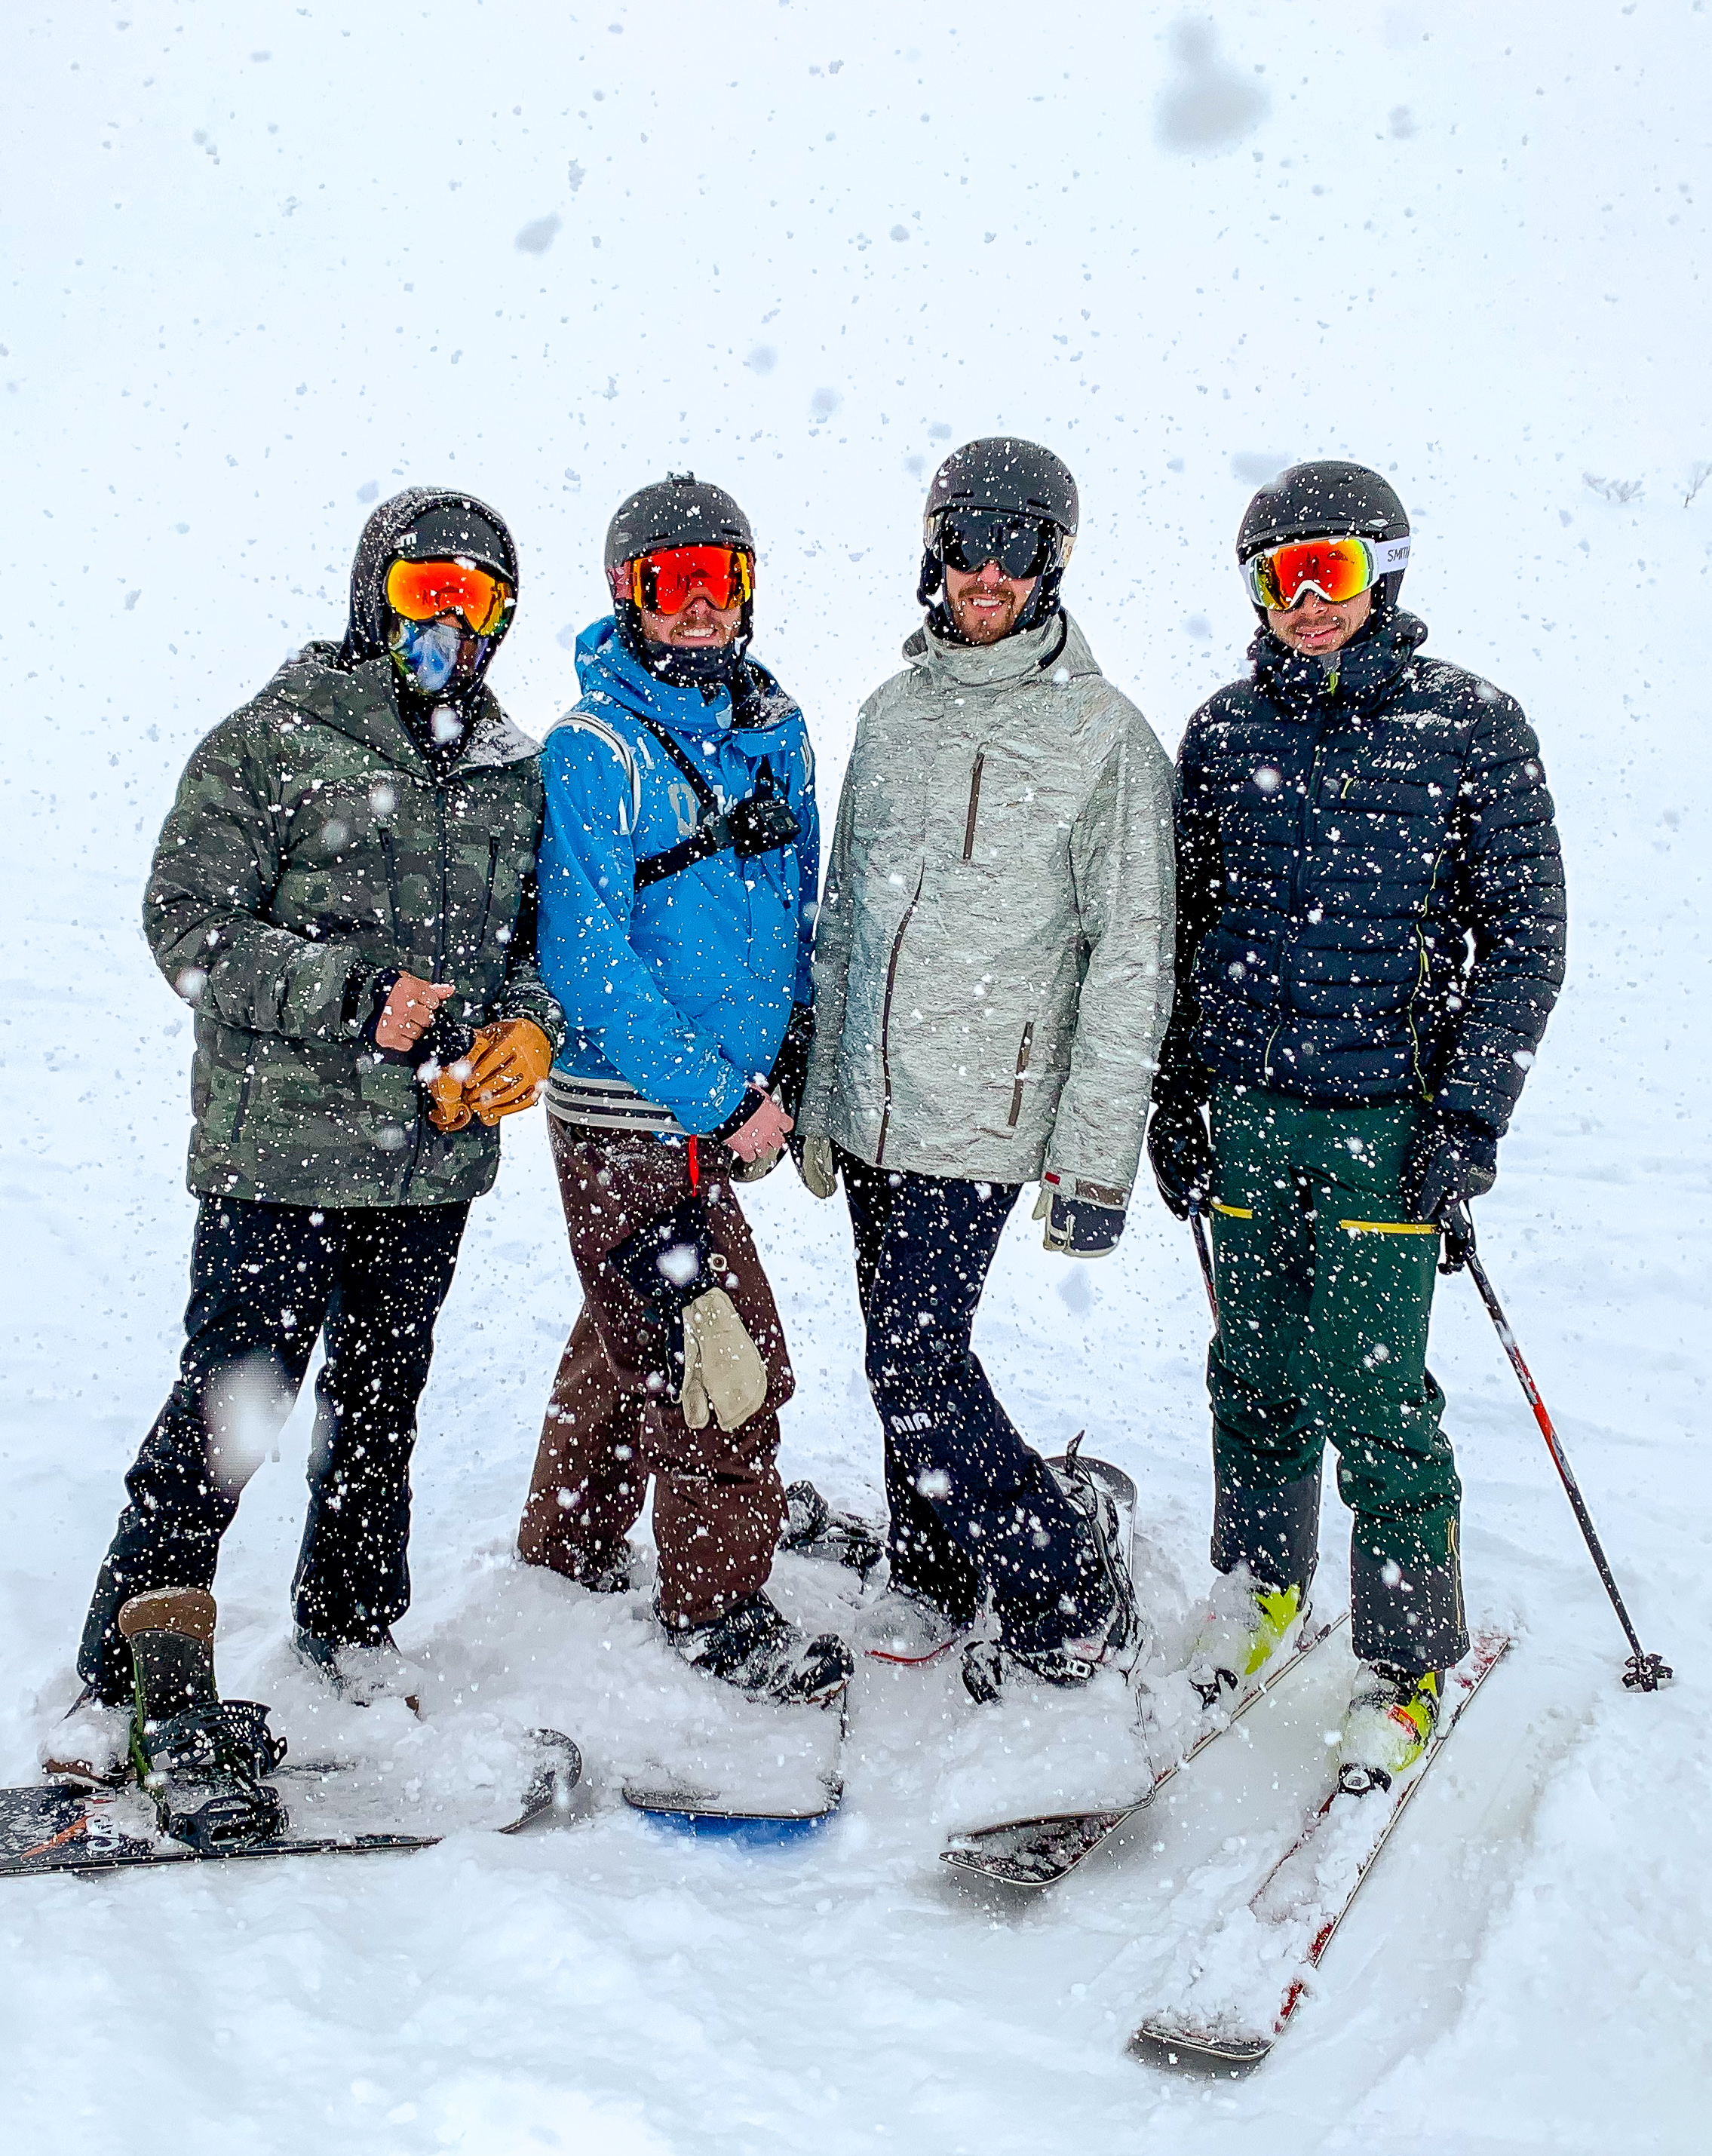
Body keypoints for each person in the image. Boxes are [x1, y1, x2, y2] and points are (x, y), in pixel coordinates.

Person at [63, 487, 564, 1760]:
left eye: (477, 599)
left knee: (382, 1402)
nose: (452, 623)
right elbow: (188, 927)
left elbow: (528, 950)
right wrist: (356, 998)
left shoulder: (512, 774)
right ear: (371, 599)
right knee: (238, 1402)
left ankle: (352, 1625)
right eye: (423, 592)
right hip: (278, 1156)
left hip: (428, 1161)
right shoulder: (273, 742)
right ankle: (135, 1648)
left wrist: (526, 1025)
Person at [1146, 459, 1566, 1793]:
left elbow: (1524, 941)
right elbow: (1181, 928)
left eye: (1327, 571)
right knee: (1251, 1367)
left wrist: (1467, 1120)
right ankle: (1261, 1585)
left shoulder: (1469, 728)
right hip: (1251, 1110)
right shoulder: (1221, 732)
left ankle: (1402, 1655)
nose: (1304, 602)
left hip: (1387, 1120)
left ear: (1382, 570)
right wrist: (1174, 1092)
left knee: (1373, 1388)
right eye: (1280, 577)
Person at [795, 438, 1177, 1691]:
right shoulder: (889, 717)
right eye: (966, 543)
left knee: (914, 1358)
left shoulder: (1104, 737)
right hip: (871, 1103)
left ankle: (1060, 1576)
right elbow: (847, 916)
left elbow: (1131, 958)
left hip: (991, 1110)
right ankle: (934, 1558)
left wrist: (1094, 1157)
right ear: (932, 551)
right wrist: (818, 1101)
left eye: (1016, 548)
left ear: (1052, 562)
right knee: (898, 1346)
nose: (986, 573)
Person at [514, 474, 851, 1707]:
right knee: (722, 1359)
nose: (701, 607)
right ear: (627, 597)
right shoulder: (593, 750)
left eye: (722, 582)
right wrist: (715, 1097)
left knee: (632, 1327)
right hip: (631, 1113)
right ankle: (714, 1609)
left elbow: (797, 902)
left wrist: (795, 1063)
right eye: (674, 584)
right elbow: (585, 957)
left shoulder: (776, 728)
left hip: (730, 1096)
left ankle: (567, 1542)